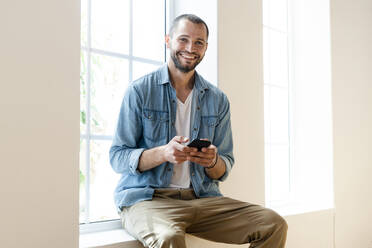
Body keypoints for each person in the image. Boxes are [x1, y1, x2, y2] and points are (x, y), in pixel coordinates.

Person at [109, 14, 287, 248]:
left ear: (205, 48)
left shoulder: (218, 99)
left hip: (203, 199)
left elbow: (224, 166)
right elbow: (117, 157)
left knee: (273, 224)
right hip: (149, 200)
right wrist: (163, 153)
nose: (190, 48)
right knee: (168, 238)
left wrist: (212, 161)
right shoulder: (140, 91)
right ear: (168, 40)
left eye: (199, 42)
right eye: (183, 39)